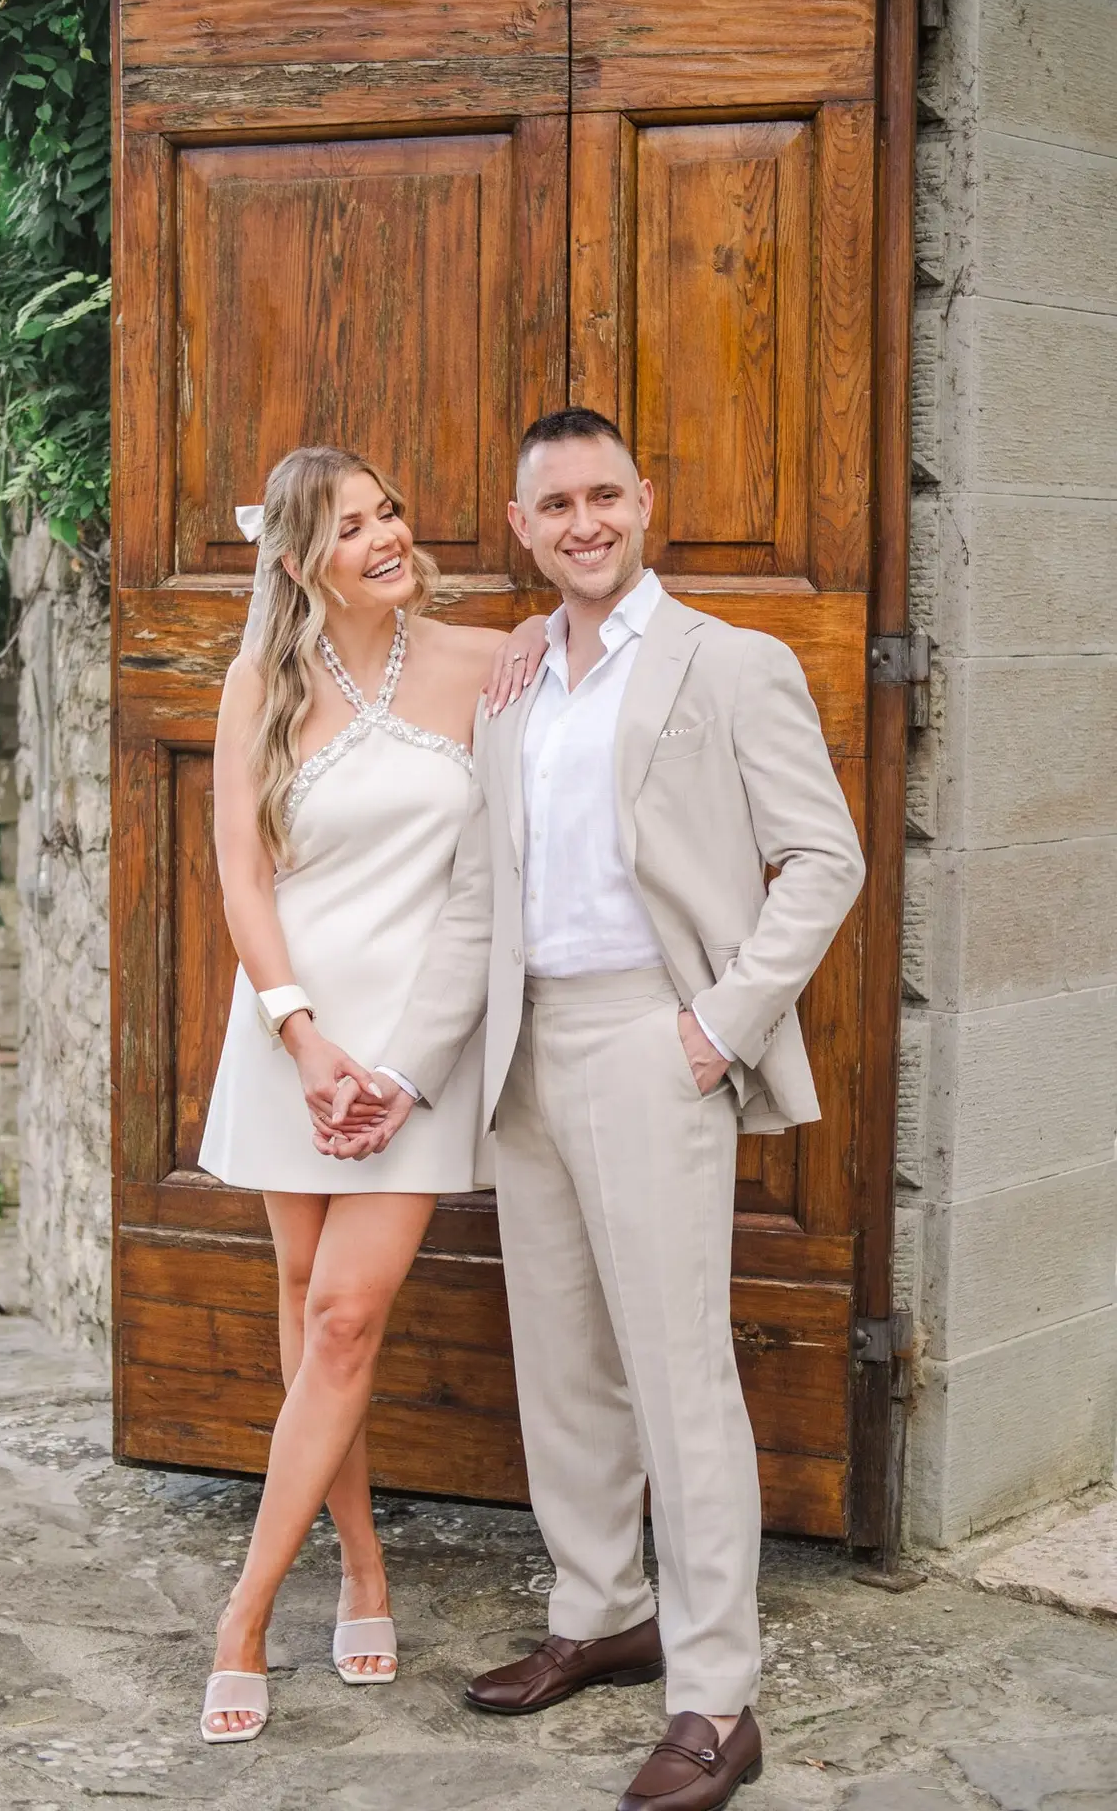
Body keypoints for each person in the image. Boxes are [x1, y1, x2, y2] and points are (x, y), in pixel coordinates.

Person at [323, 409, 866, 1810]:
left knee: (680, 1375)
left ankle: (713, 1697)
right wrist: (405, 1068)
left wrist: (714, 1027)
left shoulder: (729, 665)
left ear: (646, 501)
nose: (583, 522)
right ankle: (601, 1608)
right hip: (527, 1051)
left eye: (605, 495)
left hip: (653, 1035)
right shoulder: (513, 687)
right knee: (560, 1358)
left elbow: (824, 859)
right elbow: (475, 906)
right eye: (555, 503)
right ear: (520, 526)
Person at [196, 444, 545, 1743]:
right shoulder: (258, 684)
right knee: (306, 1308)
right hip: (297, 1032)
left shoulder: (488, 659)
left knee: (344, 1317)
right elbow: (242, 872)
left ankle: (244, 1609)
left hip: (420, 1048)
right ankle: (360, 1563)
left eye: (391, 509)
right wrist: (298, 1034)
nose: (389, 536)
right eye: (354, 528)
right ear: (300, 563)